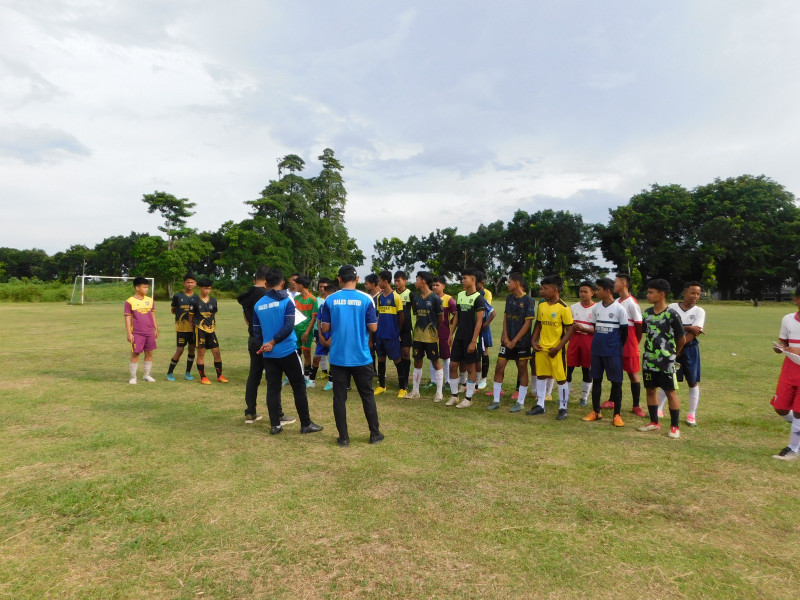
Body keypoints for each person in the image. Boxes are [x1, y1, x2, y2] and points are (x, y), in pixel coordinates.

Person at [317, 264, 384, 447]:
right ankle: (374, 434)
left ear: (338, 279)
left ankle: (344, 437)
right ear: (357, 279)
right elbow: (373, 327)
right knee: (367, 395)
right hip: (361, 356)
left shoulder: (330, 300)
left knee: (339, 398)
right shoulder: (366, 299)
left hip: (338, 356)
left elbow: (325, 328)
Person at [252, 268, 323, 436]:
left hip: (269, 354)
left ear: (266, 284)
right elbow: (288, 326)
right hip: (288, 351)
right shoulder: (287, 301)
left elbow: (256, 331)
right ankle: (306, 424)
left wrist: (265, 344)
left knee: (273, 388)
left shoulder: (258, 305)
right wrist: (273, 342)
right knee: (299, 386)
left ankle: (275, 425)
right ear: (282, 283)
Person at [237, 266, 295, 425]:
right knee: (273, 379)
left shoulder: (246, 295)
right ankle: (278, 415)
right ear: (268, 281)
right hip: (270, 341)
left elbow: (247, 317)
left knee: (254, 375)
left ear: (255, 279)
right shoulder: (266, 295)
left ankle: (250, 412)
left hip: (254, 338)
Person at [637, 279, 686, 439]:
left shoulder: (672, 314)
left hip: (666, 361)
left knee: (670, 392)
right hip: (649, 360)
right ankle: (654, 422)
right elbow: (645, 333)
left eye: (651, 292)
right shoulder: (647, 313)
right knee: (650, 390)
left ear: (661, 294)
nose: (648, 295)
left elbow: (682, 338)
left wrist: (674, 354)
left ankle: (674, 426)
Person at [658, 281, 705, 425]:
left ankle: (692, 414)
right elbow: (665, 326)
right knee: (668, 379)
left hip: (689, 348)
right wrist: (689, 327)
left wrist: (682, 340)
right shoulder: (671, 308)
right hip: (671, 347)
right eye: (692, 293)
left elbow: (696, 332)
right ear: (685, 293)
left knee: (693, 381)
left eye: (698, 294)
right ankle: (659, 408)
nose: (695, 296)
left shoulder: (699, 311)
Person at [582, 278, 628, 426]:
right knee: (596, 380)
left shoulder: (620, 309)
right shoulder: (596, 308)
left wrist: (616, 347)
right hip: (597, 351)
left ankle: (617, 415)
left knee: (616, 382)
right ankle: (596, 411)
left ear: (607, 291)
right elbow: (595, 328)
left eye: (599, 289)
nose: (596, 292)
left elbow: (624, 332)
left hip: (613, 352)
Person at [489, 272, 536, 412]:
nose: (507, 284)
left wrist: (515, 340)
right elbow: (505, 318)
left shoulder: (528, 300)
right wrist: (505, 335)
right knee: (499, 366)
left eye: (509, 282)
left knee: (522, 368)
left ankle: (520, 402)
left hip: (521, 342)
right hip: (507, 341)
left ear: (517, 283)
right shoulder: (509, 298)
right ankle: (496, 400)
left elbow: (527, 324)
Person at [529, 276, 574, 420]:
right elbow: (539, 324)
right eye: (541, 288)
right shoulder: (542, 305)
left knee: (561, 378)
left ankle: (563, 408)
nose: (542, 291)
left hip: (556, 350)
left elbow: (570, 330)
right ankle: (540, 405)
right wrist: (533, 340)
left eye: (545, 288)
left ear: (555, 290)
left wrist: (559, 347)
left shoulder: (564, 308)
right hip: (541, 348)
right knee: (541, 375)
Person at [446, 268, 485, 408]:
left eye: (465, 278)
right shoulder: (460, 295)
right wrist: (451, 334)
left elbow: (479, 322)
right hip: (459, 338)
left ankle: (468, 398)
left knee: (470, 368)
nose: (462, 281)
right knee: (453, 365)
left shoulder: (479, 299)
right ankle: (454, 396)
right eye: (462, 278)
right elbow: (457, 316)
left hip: (471, 339)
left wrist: (473, 341)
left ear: (473, 280)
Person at [769, 286, 800, 460]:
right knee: (780, 407)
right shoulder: (787, 319)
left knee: (799, 411)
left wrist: (796, 349)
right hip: (789, 369)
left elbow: (794, 347)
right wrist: (779, 348)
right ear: (796, 300)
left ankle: (793, 448)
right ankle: (798, 429)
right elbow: (783, 343)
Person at [407, 271, 445, 400]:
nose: (415, 282)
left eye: (417, 279)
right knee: (417, 361)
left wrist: (433, 330)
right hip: (417, 336)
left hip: (431, 337)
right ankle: (415, 391)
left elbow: (441, 319)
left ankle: (439, 393)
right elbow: (416, 314)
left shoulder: (435, 298)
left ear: (423, 281)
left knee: (435, 361)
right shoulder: (416, 298)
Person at [614, 273, 645, 416]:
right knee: (615, 372)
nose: (614, 285)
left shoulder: (632, 302)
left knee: (632, 373)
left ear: (624, 284)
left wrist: (635, 342)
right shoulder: (616, 301)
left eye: (616, 282)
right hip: (617, 342)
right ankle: (612, 400)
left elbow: (639, 325)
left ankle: (636, 405)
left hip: (630, 343)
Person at [374, 271, 405, 396]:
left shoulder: (396, 297)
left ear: (385, 281)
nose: (378, 283)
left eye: (379, 280)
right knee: (381, 359)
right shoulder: (379, 297)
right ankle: (382, 386)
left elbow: (401, 316)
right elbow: (377, 316)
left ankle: (403, 388)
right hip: (380, 334)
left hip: (391, 335)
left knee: (397, 360)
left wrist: (397, 332)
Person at [124, 276, 158, 384]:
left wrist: (155, 328)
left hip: (149, 332)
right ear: (137, 288)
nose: (147, 289)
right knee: (135, 354)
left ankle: (147, 375)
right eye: (144, 287)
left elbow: (152, 315)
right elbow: (128, 318)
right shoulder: (130, 301)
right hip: (137, 333)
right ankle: (133, 377)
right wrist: (129, 333)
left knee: (149, 353)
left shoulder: (150, 300)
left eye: (147, 287)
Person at [567, 281, 596, 407]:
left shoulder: (596, 308)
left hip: (588, 341)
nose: (582, 294)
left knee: (586, 370)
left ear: (592, 293)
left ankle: (584, 398)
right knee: (568, 369)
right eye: (581, 291)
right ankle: (565, 396)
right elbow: (568, 326)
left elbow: (597, 330)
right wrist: (573, 327)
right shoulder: (573, 307)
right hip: (574, 340)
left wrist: (583, 329)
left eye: (585, 291)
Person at [194, 278, 227, 385]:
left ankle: (219, 375)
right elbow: (191, 318)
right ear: (200, 288)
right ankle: (203, 377)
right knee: (201, 353)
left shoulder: (213, 300)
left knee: (216, 352)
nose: (207, 291)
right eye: (205, 289)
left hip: (211, 330)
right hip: (200, 330)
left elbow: (213, 314)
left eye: (209, 289)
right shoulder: (195, 300)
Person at [166, 274, 197, 381]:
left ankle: (188, 372)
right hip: (181, 329)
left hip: (193, 329)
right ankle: (170, 372)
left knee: (192, 350)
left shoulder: (197, 297)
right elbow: (173, 310)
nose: (190, 284)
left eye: (192, 282)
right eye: (188, 282)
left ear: (195, 284)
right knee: (179, 350)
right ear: (184, 283)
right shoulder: (177, 296)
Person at [432, 276, 457, 397]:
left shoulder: (449, 299)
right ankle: (433, 381)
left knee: (446, 357)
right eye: (434, 285)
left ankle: (448, 380)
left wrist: (449, 323)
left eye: (437, 285)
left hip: (444, 333)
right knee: (433, 356)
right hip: (431, 333)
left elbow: (456, 314)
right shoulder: (430, 298)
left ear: (443, 286)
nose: (435, 287)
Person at [293, 275, 318, 386]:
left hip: (306, 331)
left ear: (301, 285)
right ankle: (299, 374)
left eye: (296, 284)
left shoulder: (313, 300)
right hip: (295, 330)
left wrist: (307, 332)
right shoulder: (296, 299)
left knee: (306, 353)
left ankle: (308, 377)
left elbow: (314, 318)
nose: (295, 286)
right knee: (296, 352)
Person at [309, 278, 334, 389]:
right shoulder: (322, 306)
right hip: (322, 336)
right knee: (316, 358)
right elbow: (318, 321)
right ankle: (311, 381)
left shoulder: (336, 307)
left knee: (333, 359)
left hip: (333, 337)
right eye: (327, 295)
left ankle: (331, 382)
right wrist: (320, 334)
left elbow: (340, 325)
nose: (327, 297)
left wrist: (332, 337)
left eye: (330, 295)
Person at [394, 270, 414, 397]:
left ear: (405, 281)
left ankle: (406, 380)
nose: (396, 283)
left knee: (406, 353)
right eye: (395, 281)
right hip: (394, 328)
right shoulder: (392, 294)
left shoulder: (410, 294)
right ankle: (401, 379)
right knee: (397, 355)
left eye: (398, 280)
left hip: (406, 329)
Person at [476, 271, 495, 390]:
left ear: (481, 282)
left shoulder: (486, 293)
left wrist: (485, 325)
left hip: (483, 326)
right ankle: (475, 377)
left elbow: (487, 310)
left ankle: (483, 379)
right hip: (472, 326)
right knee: (474, 352)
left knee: (484, 351)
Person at [364, 274, 381, 374]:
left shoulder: (380, 297)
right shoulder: (367, 297)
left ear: (373, 284)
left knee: (378, 349)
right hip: (369, 328)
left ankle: (380, 371)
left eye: (366, 284)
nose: (365, 286)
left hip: (378, 328)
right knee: (370, 348)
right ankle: (372, 369)